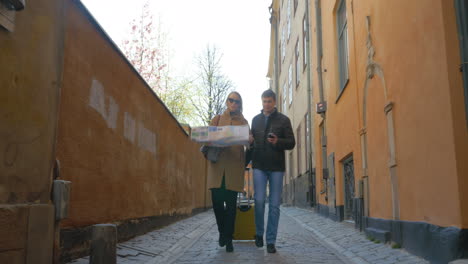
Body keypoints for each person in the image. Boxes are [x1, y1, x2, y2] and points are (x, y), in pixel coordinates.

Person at [250, 89, 295, 253]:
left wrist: (278, 141)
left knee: (274, 205)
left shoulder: (284, 120)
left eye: (269, 101)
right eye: (264, 101)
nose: (266, 104)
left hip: (276, 167)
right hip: (259, 166)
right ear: (261, 102)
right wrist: (249, 142)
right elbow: (251, 144)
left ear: (275, 102)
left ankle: (270, 241)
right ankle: (259, 234)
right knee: (260, 201)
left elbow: (291, 142)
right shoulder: (255, 120)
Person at [206, 91, 250, 253]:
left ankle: (228, 239)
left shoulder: (244, 122)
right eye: (231, 100)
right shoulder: (217, 119)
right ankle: (222, 233)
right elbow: (207, 138)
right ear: (227, 101)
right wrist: (213, 139)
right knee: (217, 205)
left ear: (240, 104)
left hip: (233, 168)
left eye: (237, 101)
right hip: (217, 168)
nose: (234, 103)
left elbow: (248, 144)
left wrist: (249, 139)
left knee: (231, 207)